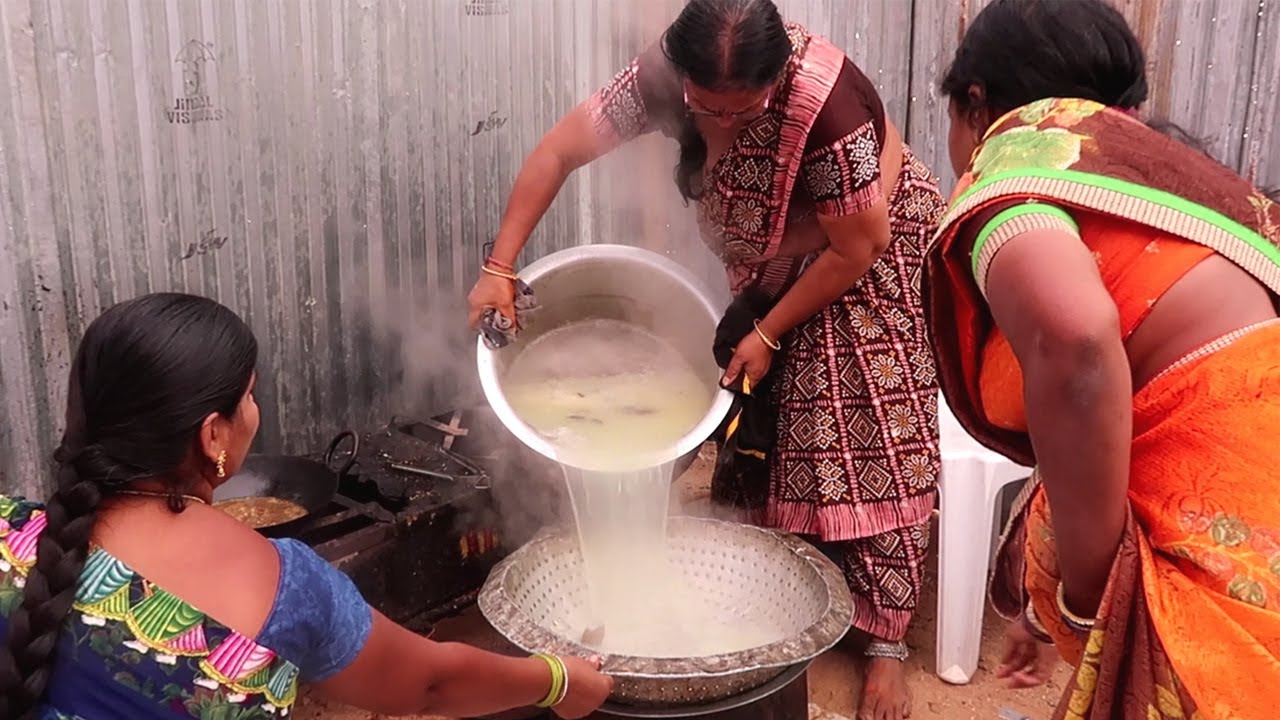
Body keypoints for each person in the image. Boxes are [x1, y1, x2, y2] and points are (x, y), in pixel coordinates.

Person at [467, 2, 944, 717]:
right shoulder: (659, 81)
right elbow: (560, 152)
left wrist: (773, 329)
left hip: (866, 249)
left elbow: (859, 243)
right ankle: (787, 583)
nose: (721, 127)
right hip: (782, 253)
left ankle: (885, 643)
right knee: (775, 419)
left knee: (863, 422)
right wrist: (500, 266)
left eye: (743, 111)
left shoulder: (827, 104)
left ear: (776, 79)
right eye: (705, 108)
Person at [0, 293, 613, 719]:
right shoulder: (282, 588)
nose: (255, 413)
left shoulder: (10, 534)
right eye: (250, 397)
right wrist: (558, 679)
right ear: (213, 436)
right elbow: (431, 681)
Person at [927, 0, 1280, 717]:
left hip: (1227, 565)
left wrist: (1089, 597)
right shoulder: (1160, 193)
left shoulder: (1016, 189)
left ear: (976, 104)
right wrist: (1038, 610)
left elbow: (1077, 345)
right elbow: (1095, 419)